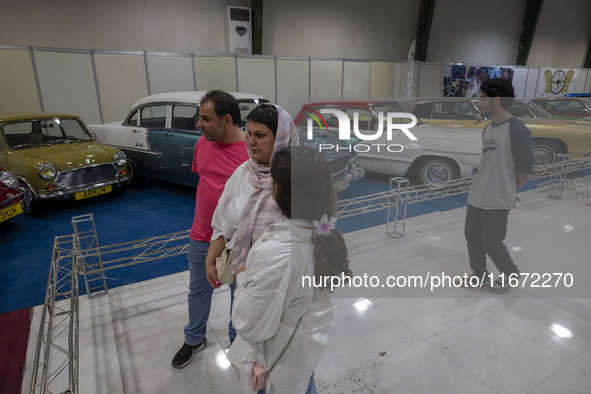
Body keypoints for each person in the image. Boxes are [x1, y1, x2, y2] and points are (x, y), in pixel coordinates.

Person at [227, 146, 352, 393]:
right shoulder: (319, 234)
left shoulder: (278, 253)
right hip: (301, 355)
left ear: (278, 189)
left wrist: (242, 276)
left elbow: (250, 325)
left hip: (276, 367)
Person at [172, 90, 249, 369]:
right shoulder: (201, 145)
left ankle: (236, 337)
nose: (198, 124)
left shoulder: (251, 151)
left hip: (240, 238)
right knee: (198, 289)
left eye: (205, 118)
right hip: (202, 233)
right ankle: (194, 338)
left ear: (227, 119)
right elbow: (205, 183)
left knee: (238, 290)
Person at [464, 78, 533, 293]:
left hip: (497, 198)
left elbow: (525, 169)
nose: (479, 103)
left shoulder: (518, 130)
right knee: (472, 238)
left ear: (497, 99)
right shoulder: (488, 129)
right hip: (477, 194)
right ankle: (480, 276)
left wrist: (509, 189)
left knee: (491, 242)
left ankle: (510, 273)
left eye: (483, 98)